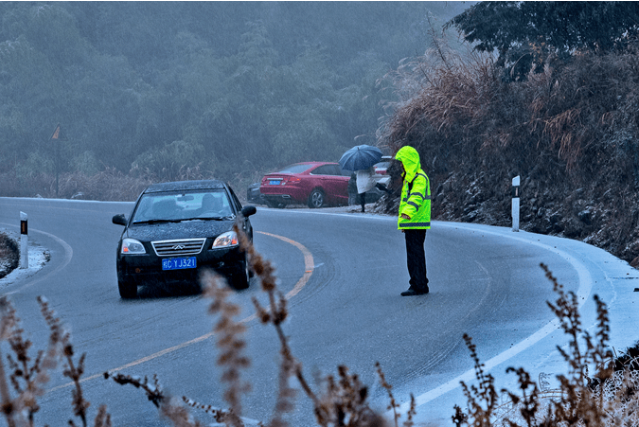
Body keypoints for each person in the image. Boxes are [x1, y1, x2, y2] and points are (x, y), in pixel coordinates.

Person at [394, 146, 431, 296]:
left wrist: (406, 215)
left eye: (402, 161)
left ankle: (419, 285)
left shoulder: (419, 178)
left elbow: (416, 197)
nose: (400, 165)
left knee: (415, 254)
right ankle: (417, 283)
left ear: (408, 161)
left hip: (416, 221)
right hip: (412, 222)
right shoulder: (410, 178)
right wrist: (404, 223)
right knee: (413, 254)